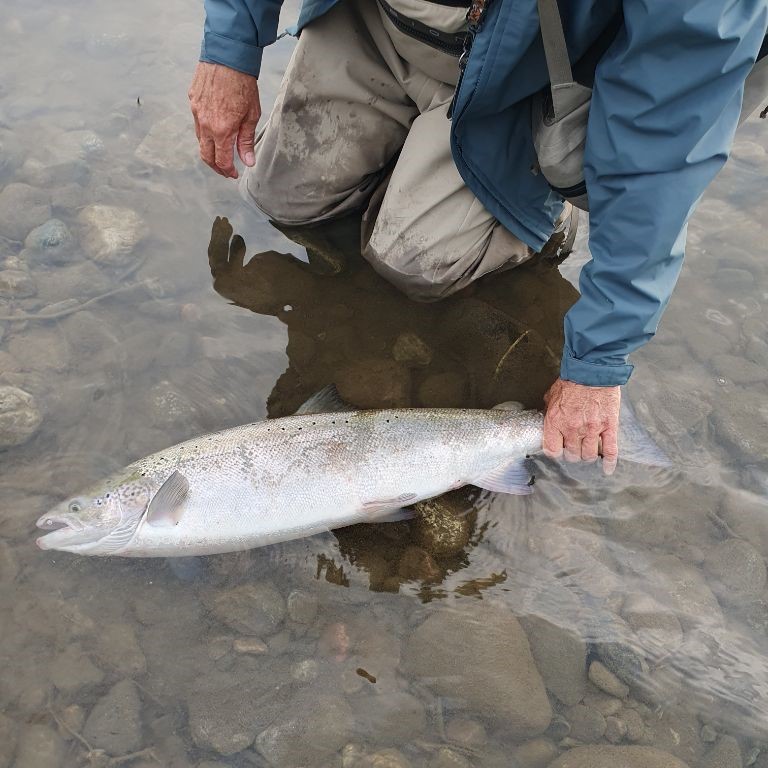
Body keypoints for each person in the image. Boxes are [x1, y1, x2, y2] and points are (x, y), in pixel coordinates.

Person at [189, 0, 768, 474]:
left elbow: (661, 153)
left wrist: (597, 362)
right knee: (281, 202)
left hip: (524, 74)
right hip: (382, 19)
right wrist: (229, 49)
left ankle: (540, 208)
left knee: (415, 267)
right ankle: (412, 155)